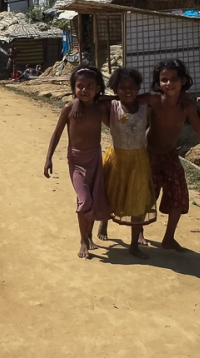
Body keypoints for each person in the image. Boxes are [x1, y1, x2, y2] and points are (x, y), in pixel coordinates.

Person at [145, 60, 200, 252]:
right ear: (158, 82)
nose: (169, 83)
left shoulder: (187, 105)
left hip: (170, 155)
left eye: (174, 79)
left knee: (178, 194)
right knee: (145, 196)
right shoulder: (153, 99)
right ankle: (138, 233)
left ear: (184, 81)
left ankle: (169, 238)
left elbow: (197, 127)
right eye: (164, 80)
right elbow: (127, 100)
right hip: (148, 154)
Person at [43, 67, 110, 259]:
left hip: (95, 159)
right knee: (85, 200)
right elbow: (57, 134)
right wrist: (48, 158)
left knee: (92, 199)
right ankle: (83, 240)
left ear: (98, 88)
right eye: (80, 86)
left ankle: (88, 236)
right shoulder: (69, 109)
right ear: (73, 88)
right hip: (77, 161)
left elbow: (114, 114)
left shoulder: (98, 109)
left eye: (90, 86)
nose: (84, 90)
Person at [92, 68, 157, 259]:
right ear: (115, 90)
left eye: (132, 87)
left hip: (139, 160)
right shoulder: (112, 107)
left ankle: (134, 245)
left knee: (137, 200)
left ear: (138, 87)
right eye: (122, 88)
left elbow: (156, 96)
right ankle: (104, 221)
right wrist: (112, 96)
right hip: (116, 158)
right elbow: (96, 99)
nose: (128, 91)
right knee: (110, 195)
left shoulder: (145, 106)